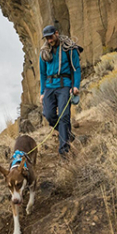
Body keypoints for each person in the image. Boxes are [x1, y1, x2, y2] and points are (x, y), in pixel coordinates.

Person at [39, 24, 81, 158]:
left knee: (64, 116)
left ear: (56, 33)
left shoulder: (70, 48)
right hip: (49, 87)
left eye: (51, 37)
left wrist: (76, 86)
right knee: (48, 114)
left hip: (65, 85)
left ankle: (64, 150)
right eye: (47, 38)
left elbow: (76, 68)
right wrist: (42, 92)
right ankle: (67, 134)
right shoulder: (44, 52)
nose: (49, 40)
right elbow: (42, 74)